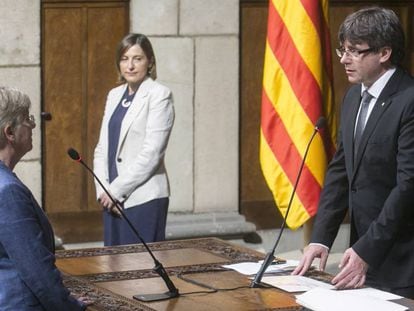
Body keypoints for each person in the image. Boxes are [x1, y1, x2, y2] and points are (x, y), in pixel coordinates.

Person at [292, 7, 414, 299]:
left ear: (384, 53)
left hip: (403, 260)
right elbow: (340, 172)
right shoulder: (353, 97)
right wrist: (320, 239)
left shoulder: (409, 100)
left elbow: (408, 185)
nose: (344, 59)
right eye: (342, 50)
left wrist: (366, 250)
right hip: (362, 255)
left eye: (354, 51)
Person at [0, 87, 90, 310]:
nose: (33, 124)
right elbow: (36, 271)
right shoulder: (8, 191)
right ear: (9, 132)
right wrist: (70, 306)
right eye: (27, 119)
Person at [94, 33, 174, 246]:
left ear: (149, 62)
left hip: (143, 198)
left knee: (141, 273)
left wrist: (117, 190)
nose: (130, 65)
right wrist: (103, 191)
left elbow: (152, 153)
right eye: (124, 59)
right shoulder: (114, 95)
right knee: (114, 269)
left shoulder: (159, 95)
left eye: (137, 58)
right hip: (110, 200)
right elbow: (102, 148)